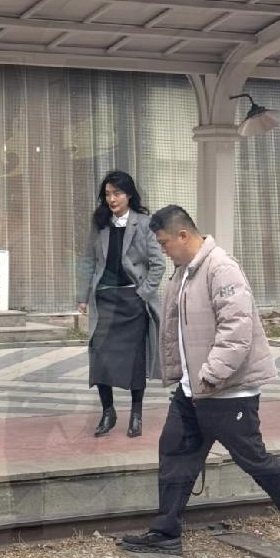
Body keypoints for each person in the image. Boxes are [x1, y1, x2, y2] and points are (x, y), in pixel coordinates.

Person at [120, 206, 280, 556]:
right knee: (175, 452)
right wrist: (187, 378)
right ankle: (166, 531)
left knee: (252, 458)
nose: (163, 250)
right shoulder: (184, 271)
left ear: (184, 235)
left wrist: (211, 374)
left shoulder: (221, 268)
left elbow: (236, 331)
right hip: (193, 389)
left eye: (165, 242)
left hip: (227, 390)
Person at [77, 170, 164, 438]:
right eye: (107, 194)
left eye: (117, 193)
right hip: (104, 298)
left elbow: (158, 264)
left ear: (129, 195)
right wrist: (82, 296)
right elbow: (89, 260)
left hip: (132, 300)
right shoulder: (100, 223)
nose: (112, 199)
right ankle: (108, 412)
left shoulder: (145, 224)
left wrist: (143, 293)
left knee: (135, 359)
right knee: (99, 354)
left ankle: (136, 414)